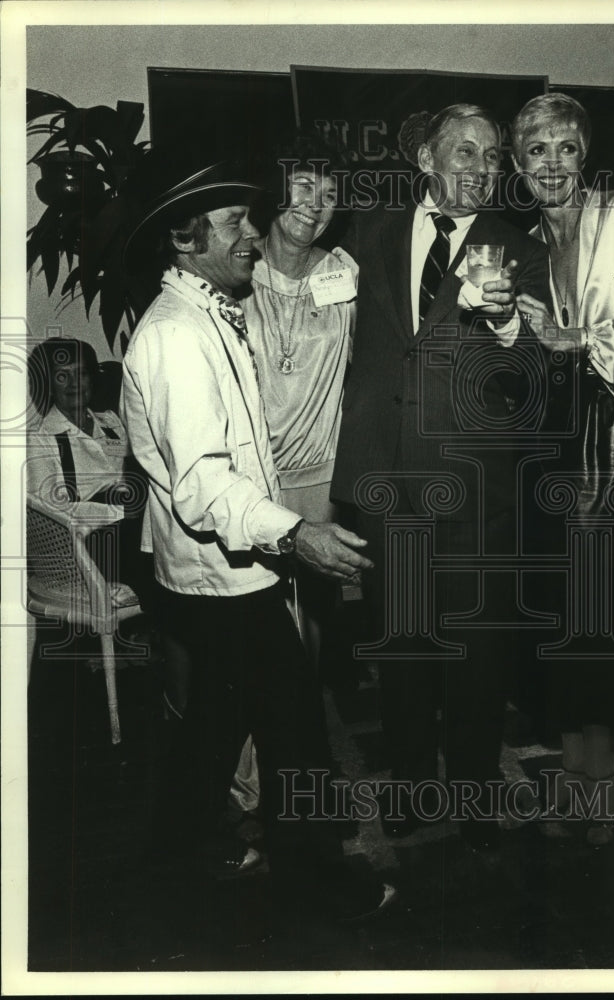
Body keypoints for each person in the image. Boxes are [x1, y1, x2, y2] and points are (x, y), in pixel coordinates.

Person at [119, 151, 394, 918]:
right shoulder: (177, 336)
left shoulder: (208, 310)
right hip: (226, 576)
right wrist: (295, 534)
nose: (252, 232)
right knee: (295, 730)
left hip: (218, 576)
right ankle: (318, 890)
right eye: (233, 222)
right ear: (185, 239)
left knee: (213, 727)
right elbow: (203, 484)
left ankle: (163, 864)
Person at [331, 103, 551, 852]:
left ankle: (472, 785)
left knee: (478, 651)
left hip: (473, 489)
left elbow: (536, 382)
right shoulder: (366, 235)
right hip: (389, 480)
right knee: (403, 646)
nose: (480, 169)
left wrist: (510, 329)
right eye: (464, 152)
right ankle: (410, 782)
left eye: (492, 157)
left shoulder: (518, 247)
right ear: (425, 159)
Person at [511, 93, 614, 844]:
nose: (551, 164)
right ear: (518, 165)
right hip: (548, 437)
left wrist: (574, 339)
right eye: (536, 151)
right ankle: (574, 778)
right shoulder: (519, 242)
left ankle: (604, 783)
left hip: (611, 437)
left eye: (564, 148)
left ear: (584, 156)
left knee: (604, 614)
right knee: (562, 617)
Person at [229, 134, 357, 819]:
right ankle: (250, 783)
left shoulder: (346, 273)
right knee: (255, 635)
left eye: (329, 193)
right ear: (276, 190)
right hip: (251, 483)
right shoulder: (237, 265)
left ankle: (295, 772)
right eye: (304, 186)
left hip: (321, 479)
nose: (317, 204)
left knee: (305, 638)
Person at [26, 337, 144, 603]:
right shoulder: (41, 439)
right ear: (48, 384)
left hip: (128, 531)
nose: (74, 384)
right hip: (85, 547)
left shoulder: (111, 422)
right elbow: (53, 512)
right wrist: (122, 513)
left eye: (81, 373)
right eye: (62, 376)